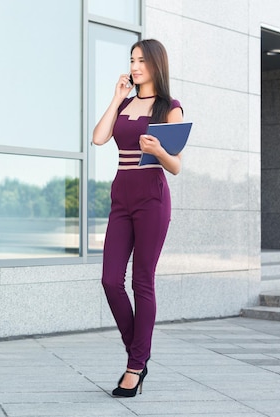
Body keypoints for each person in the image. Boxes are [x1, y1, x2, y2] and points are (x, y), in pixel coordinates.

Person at [91, 39, 184, 397]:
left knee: (142, 281)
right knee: (110, 279)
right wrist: (116, 98)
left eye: (142, 60)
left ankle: (134, 368)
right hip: (121, 198)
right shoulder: (126, 103)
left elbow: (175, 166)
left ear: (157, 64)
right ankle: (139, 353)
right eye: (132, 60)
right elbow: (99, 138)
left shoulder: (169, 108)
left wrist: (159, 149)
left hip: (151, 198)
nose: (135, 66)